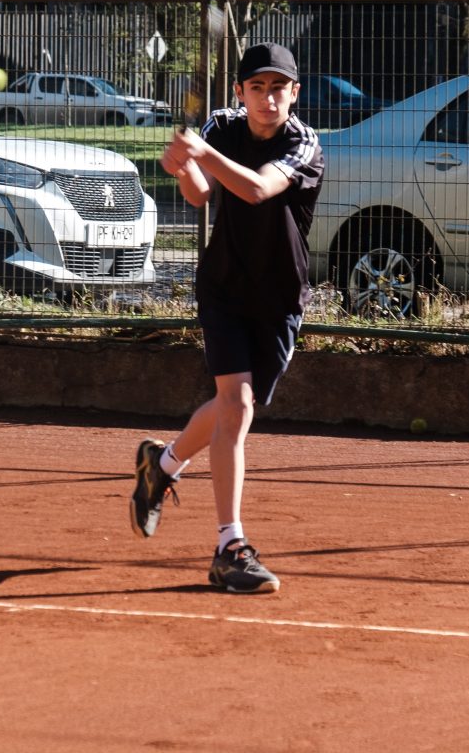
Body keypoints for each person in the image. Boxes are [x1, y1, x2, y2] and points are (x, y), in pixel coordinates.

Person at [130, 42, 324, 593]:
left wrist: (201, 154)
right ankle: (229, 546)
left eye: (279, 87)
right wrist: (181, 167)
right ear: (240, 92)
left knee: (230, 407)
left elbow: (259, 188)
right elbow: (200, 195)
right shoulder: (221, 125)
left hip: (279, 297)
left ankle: (161, 466)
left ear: (295, 93)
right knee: (236, 406)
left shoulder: (304, 144)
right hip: (224, 288)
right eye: (257, 87)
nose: (268, 98)